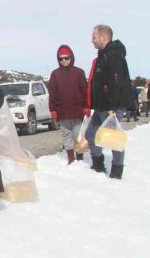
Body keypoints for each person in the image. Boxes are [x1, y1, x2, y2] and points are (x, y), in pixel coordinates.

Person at [85, 25, 135, 179]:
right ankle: (98, 165)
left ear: (103, 37)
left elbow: (116, 82)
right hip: (101, 106)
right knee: (91, 134)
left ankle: (116, 172)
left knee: (114, 139)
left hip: (111, 106)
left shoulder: (113, 55)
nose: (91, 41)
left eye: (94, 37)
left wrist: (111, 106)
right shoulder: (104, 55)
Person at [48, 45, 89, 164]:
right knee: (66, 135)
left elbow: (84, 91)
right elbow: (52, 94)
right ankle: (71, 158)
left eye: (66, 58)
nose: (64, 61)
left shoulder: (79, 72)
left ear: (71, 57)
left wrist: (86, 106)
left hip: (77, 110)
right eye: (61, 59)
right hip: (62, 111)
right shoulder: (55, 74)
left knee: (78, 134)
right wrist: (53, 110)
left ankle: (80, 158)